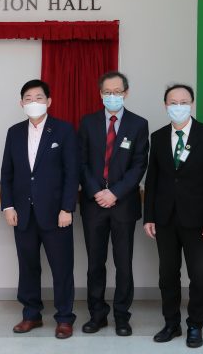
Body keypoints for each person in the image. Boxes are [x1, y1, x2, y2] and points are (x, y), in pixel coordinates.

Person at [144, 84, 203, 348]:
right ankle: (171, 323)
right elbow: (152, 180)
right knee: (167, 274)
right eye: (173, 102)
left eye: (183, 101)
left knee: (199, 275)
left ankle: (195, 326)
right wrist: (149, 217)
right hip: (165, 219)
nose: (178, 106)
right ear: (166, 105)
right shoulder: (158, 136)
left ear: (191, 104)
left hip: (199, 221)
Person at [0, 79, 78, 339]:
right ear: (21, 103)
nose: (34, 102)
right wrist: (8, 206)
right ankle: (31, 314)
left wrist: (67, 208)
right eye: (29, 98)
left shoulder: (64, 131)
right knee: (28, 266)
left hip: (57, 214)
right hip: (23, 213)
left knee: (62, 268)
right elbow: (7, 173)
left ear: (49, 101)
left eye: (39, 97)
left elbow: (71, 173)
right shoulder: (14, 132)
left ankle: (65, 318)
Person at [78, 71, 149, 336]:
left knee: (123, 263)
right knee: (95, 263)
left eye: (117, 92)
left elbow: (139, 164)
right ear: (100, 94)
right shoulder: (88, 123)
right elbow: (81, 162)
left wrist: (115, 193)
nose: (112, 96)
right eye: (107, 92)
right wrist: (97, 191)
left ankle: (122, 316)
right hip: (93, 204)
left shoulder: (139, 124)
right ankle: (97, 315)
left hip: (124, 204)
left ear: (126, 93)